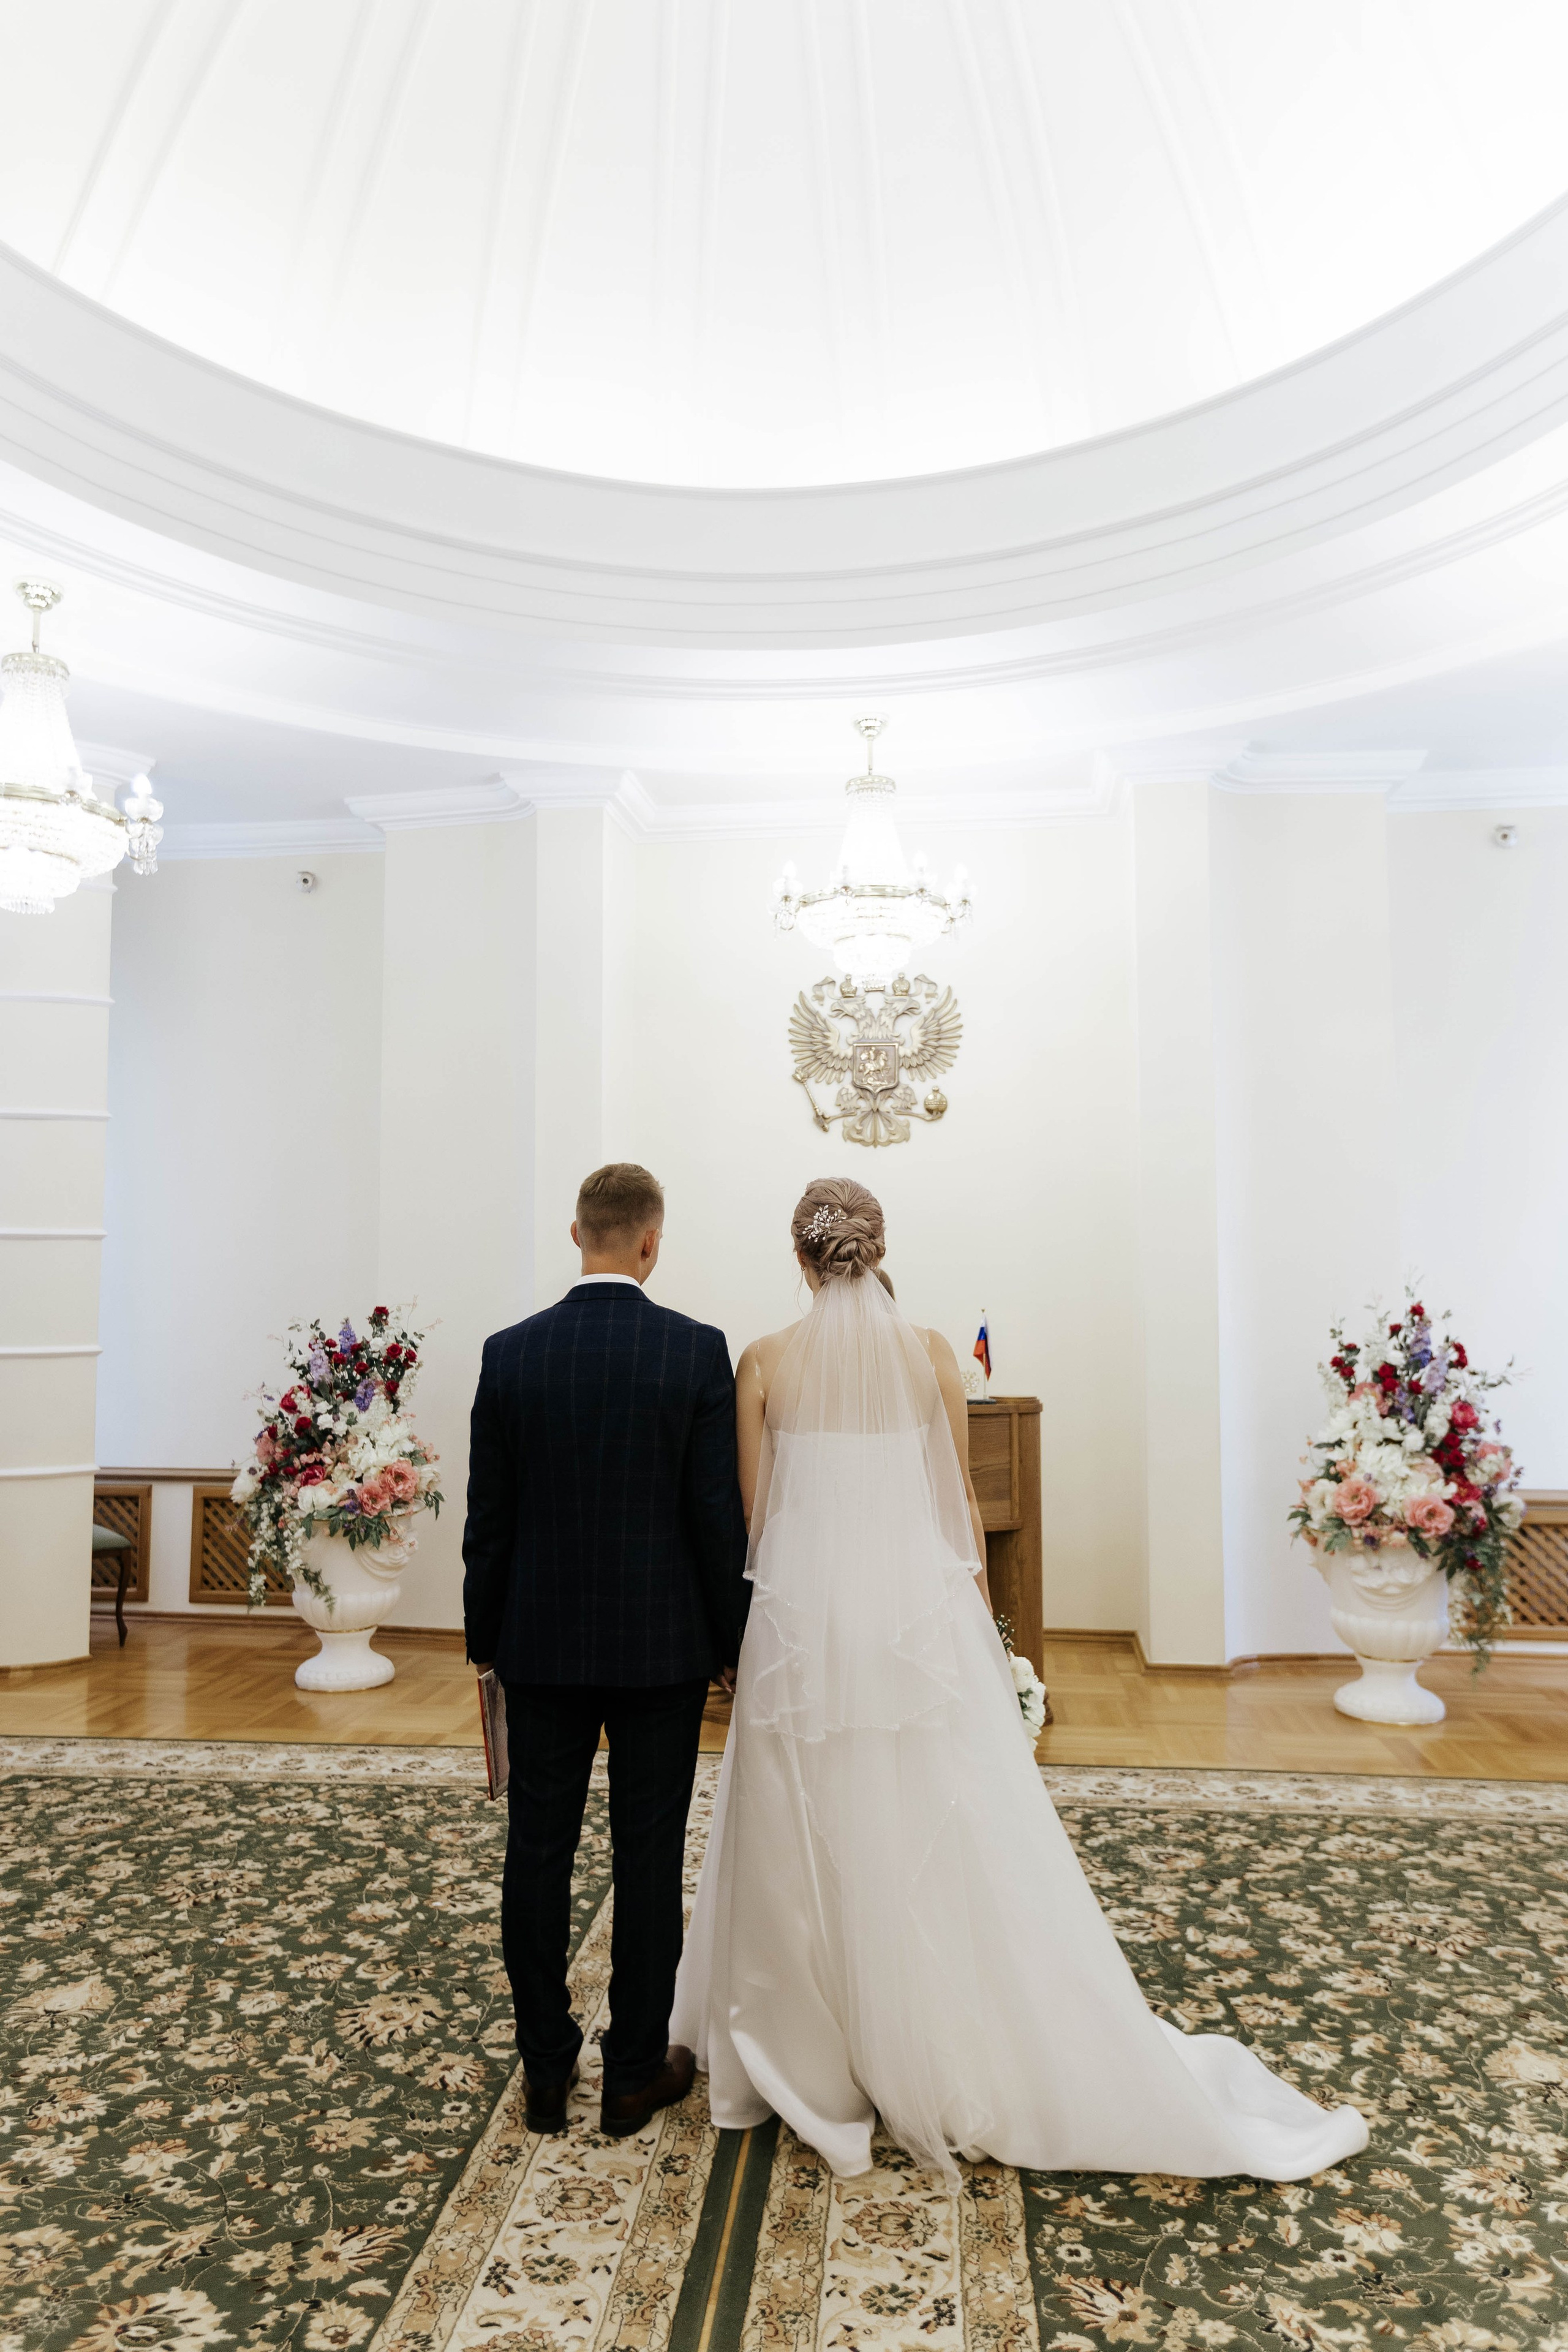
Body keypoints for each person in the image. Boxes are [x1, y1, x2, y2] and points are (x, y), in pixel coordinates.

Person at [672, 1175, 1369, 2184]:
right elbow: (954, 1501)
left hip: (805, 1623)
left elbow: (757, 1518)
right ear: (877, 1248)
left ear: (799, 1259)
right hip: (914, 1618)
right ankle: (931, 2022)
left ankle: (809, 2051)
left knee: (803, 1819)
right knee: (929, 1810)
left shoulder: (765, 1363)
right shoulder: (932, 1355)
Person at [463, 1163, 749, 2139]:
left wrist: (481, 1644)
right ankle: (632, 2073)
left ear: (575, 1232)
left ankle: (547, 2071)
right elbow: (717, 1518)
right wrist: (731, 1643)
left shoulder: (511, 1355)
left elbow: (488, 1522)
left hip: (538, 1646)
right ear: (650, 1243)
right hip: (660, 1650)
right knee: (646, 1855)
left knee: (537, 1853)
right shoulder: (695, 1351)